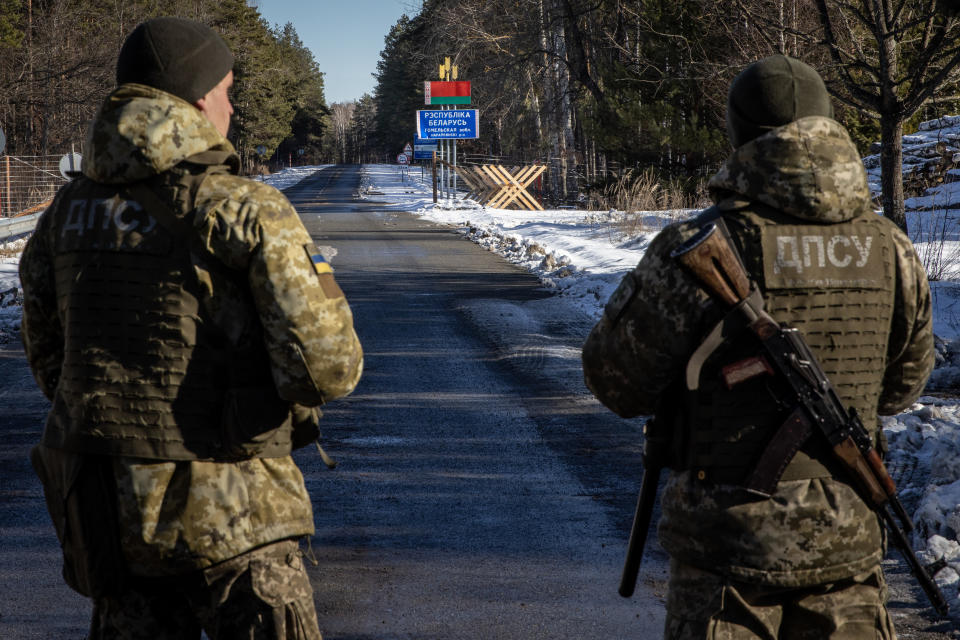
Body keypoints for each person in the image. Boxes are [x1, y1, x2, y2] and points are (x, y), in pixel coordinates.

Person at [19, 16, 363, 640]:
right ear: (199, 96)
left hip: (110, 517)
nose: (230, 106)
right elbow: (328, 368)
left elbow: (49, 363)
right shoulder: (243, 209)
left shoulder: (62, 217)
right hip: (238, 518)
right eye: (229, 89)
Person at [582, 55, 933, 639]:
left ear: (737, 134)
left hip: (728, 556)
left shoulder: (699, 244)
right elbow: (900, 389)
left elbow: (614, 381)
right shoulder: (891, 248)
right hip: (849, 543)